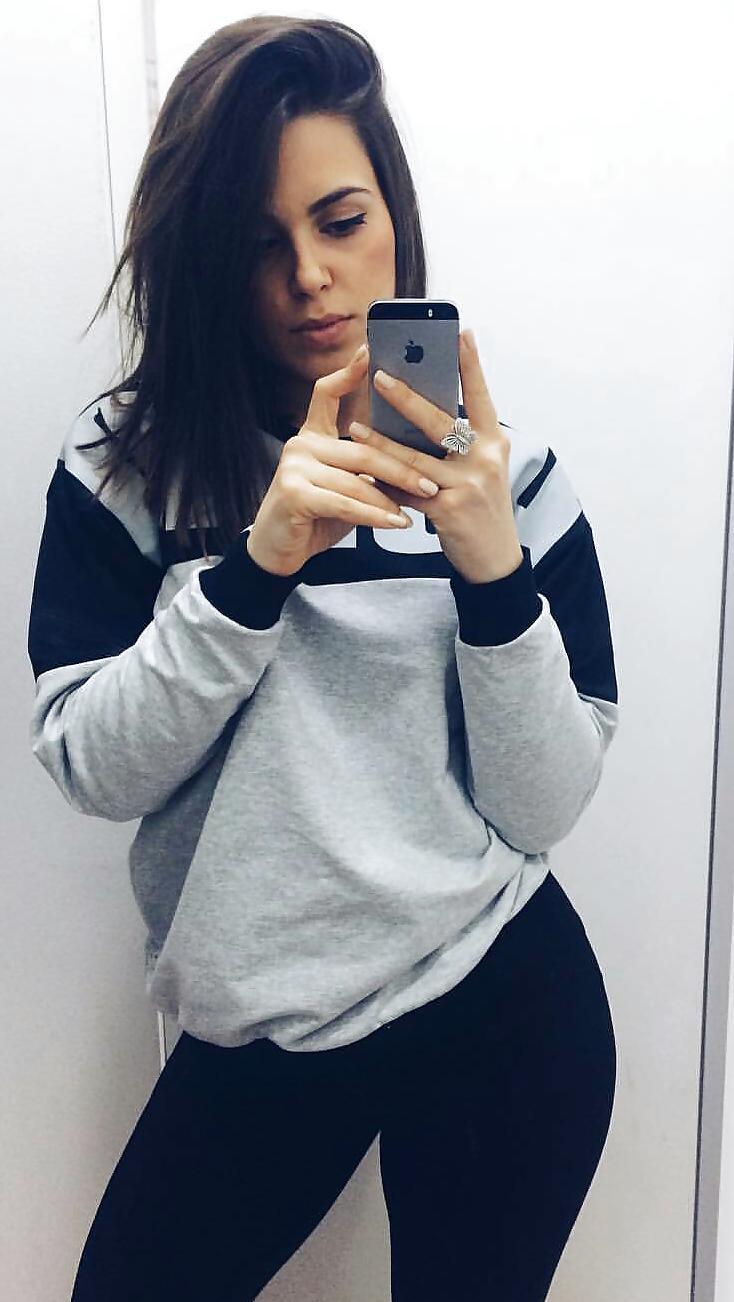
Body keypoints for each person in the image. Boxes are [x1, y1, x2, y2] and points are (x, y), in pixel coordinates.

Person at [27, 16, 619, 1302]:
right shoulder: (128, 468)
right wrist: (256, 566)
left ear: (392, 214)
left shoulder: (510, 480)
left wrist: (491, 570)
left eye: (340, 220)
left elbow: (544, 804)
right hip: (263, 1023)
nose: (308, 275)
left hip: (499, 998)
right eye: (258, 242)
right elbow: (91, 767)